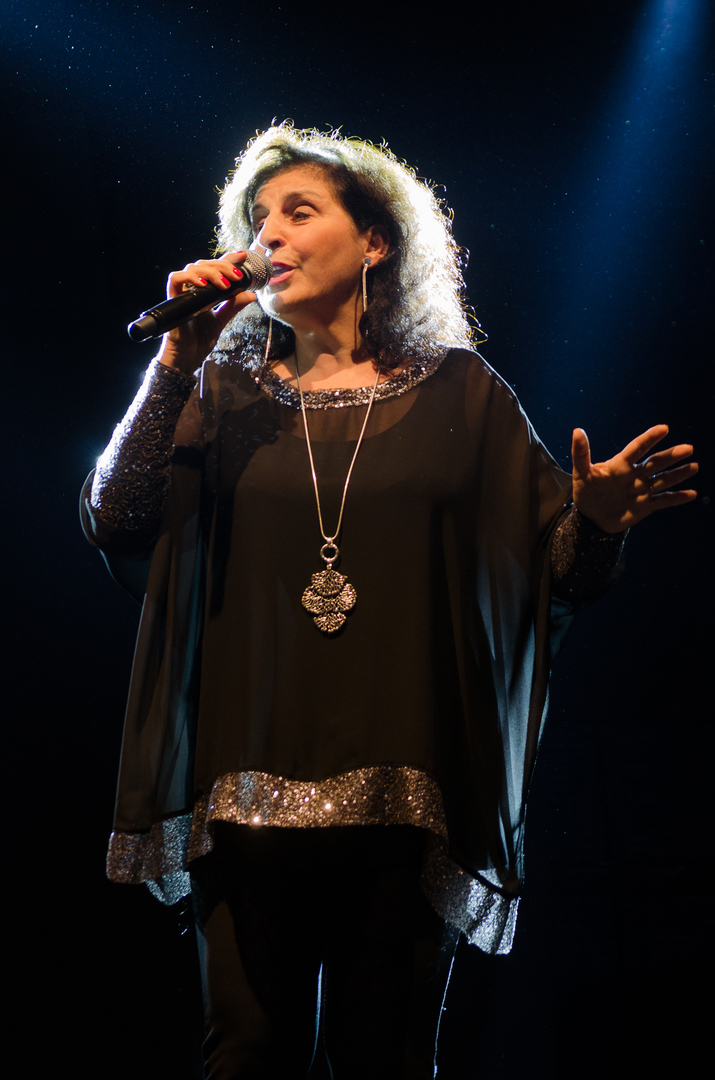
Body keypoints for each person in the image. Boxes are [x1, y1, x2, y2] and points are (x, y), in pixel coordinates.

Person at [81, 124, 697, 1079]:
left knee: (386, 1059)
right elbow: (117, 517)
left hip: (406, 795)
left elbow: (552, 579)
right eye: (257, 218)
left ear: (375, 241)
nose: (268, 234)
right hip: (242, 789)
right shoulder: (221, 394)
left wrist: (599, 521)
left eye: (298, 212)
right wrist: (173, 366)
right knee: (244, 1054)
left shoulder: (461, 394)